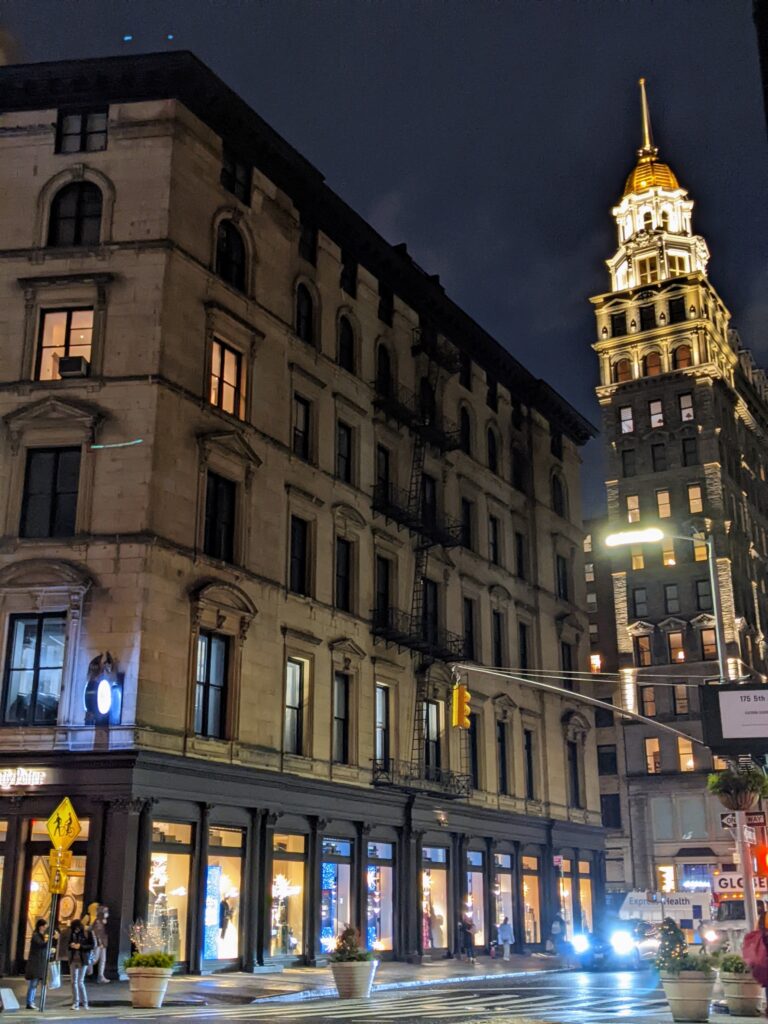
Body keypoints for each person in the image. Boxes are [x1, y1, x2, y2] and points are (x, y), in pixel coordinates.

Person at [68, 918, 94, 1010]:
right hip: (73, 959)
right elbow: (68, 944)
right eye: (74, 929)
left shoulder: (87, 932)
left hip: (83, 960)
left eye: (77, 928)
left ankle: (85, 1003)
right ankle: (75, 1003)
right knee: (73, 982)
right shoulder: (72, 933)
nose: (76, 930)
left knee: (80, 982)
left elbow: (92, 945)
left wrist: (81, 946)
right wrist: (71, 945)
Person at [25, 919, 49, 1010]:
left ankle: (31, 1001)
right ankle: (29, 1002)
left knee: (35, 983)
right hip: (35, 963)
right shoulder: (36, 936)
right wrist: (50, 939)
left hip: (38, 962)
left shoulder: (40, 935)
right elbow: (41, 945)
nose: (45, 928)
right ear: (40, 926)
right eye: (44, 926)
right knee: (33, 983)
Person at [91, 906, 110, 984]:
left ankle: (101, 976)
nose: (107, 914)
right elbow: (97, 933)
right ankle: (86, 968)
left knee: (102, 960)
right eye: (105, 912)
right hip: (99, 944)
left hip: (103, 943)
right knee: (95, 959)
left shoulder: (102, 922)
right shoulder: (98, 922)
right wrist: (100, 943)